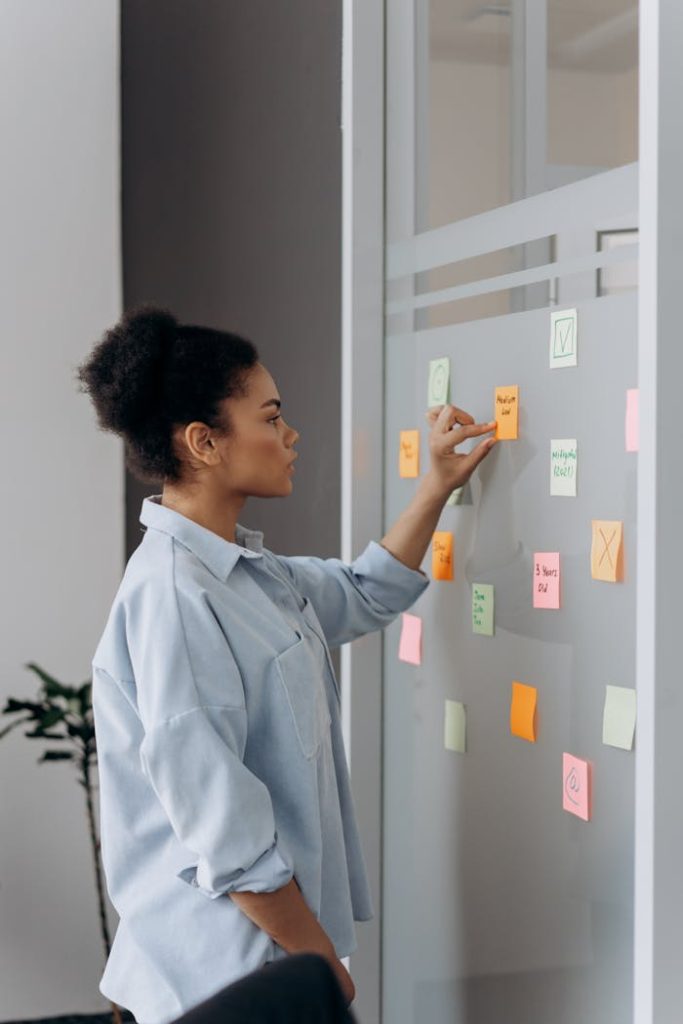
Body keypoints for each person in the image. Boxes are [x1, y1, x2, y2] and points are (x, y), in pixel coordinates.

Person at [76, 306, 496, 1024]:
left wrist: (435, 485)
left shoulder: (248, 574)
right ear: (205, 442)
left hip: (268, 954)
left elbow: (362, 593)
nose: (290, 435)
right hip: (223, 973)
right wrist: (317, 964)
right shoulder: (174, 599)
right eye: (270, 418)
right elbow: (225, 830)